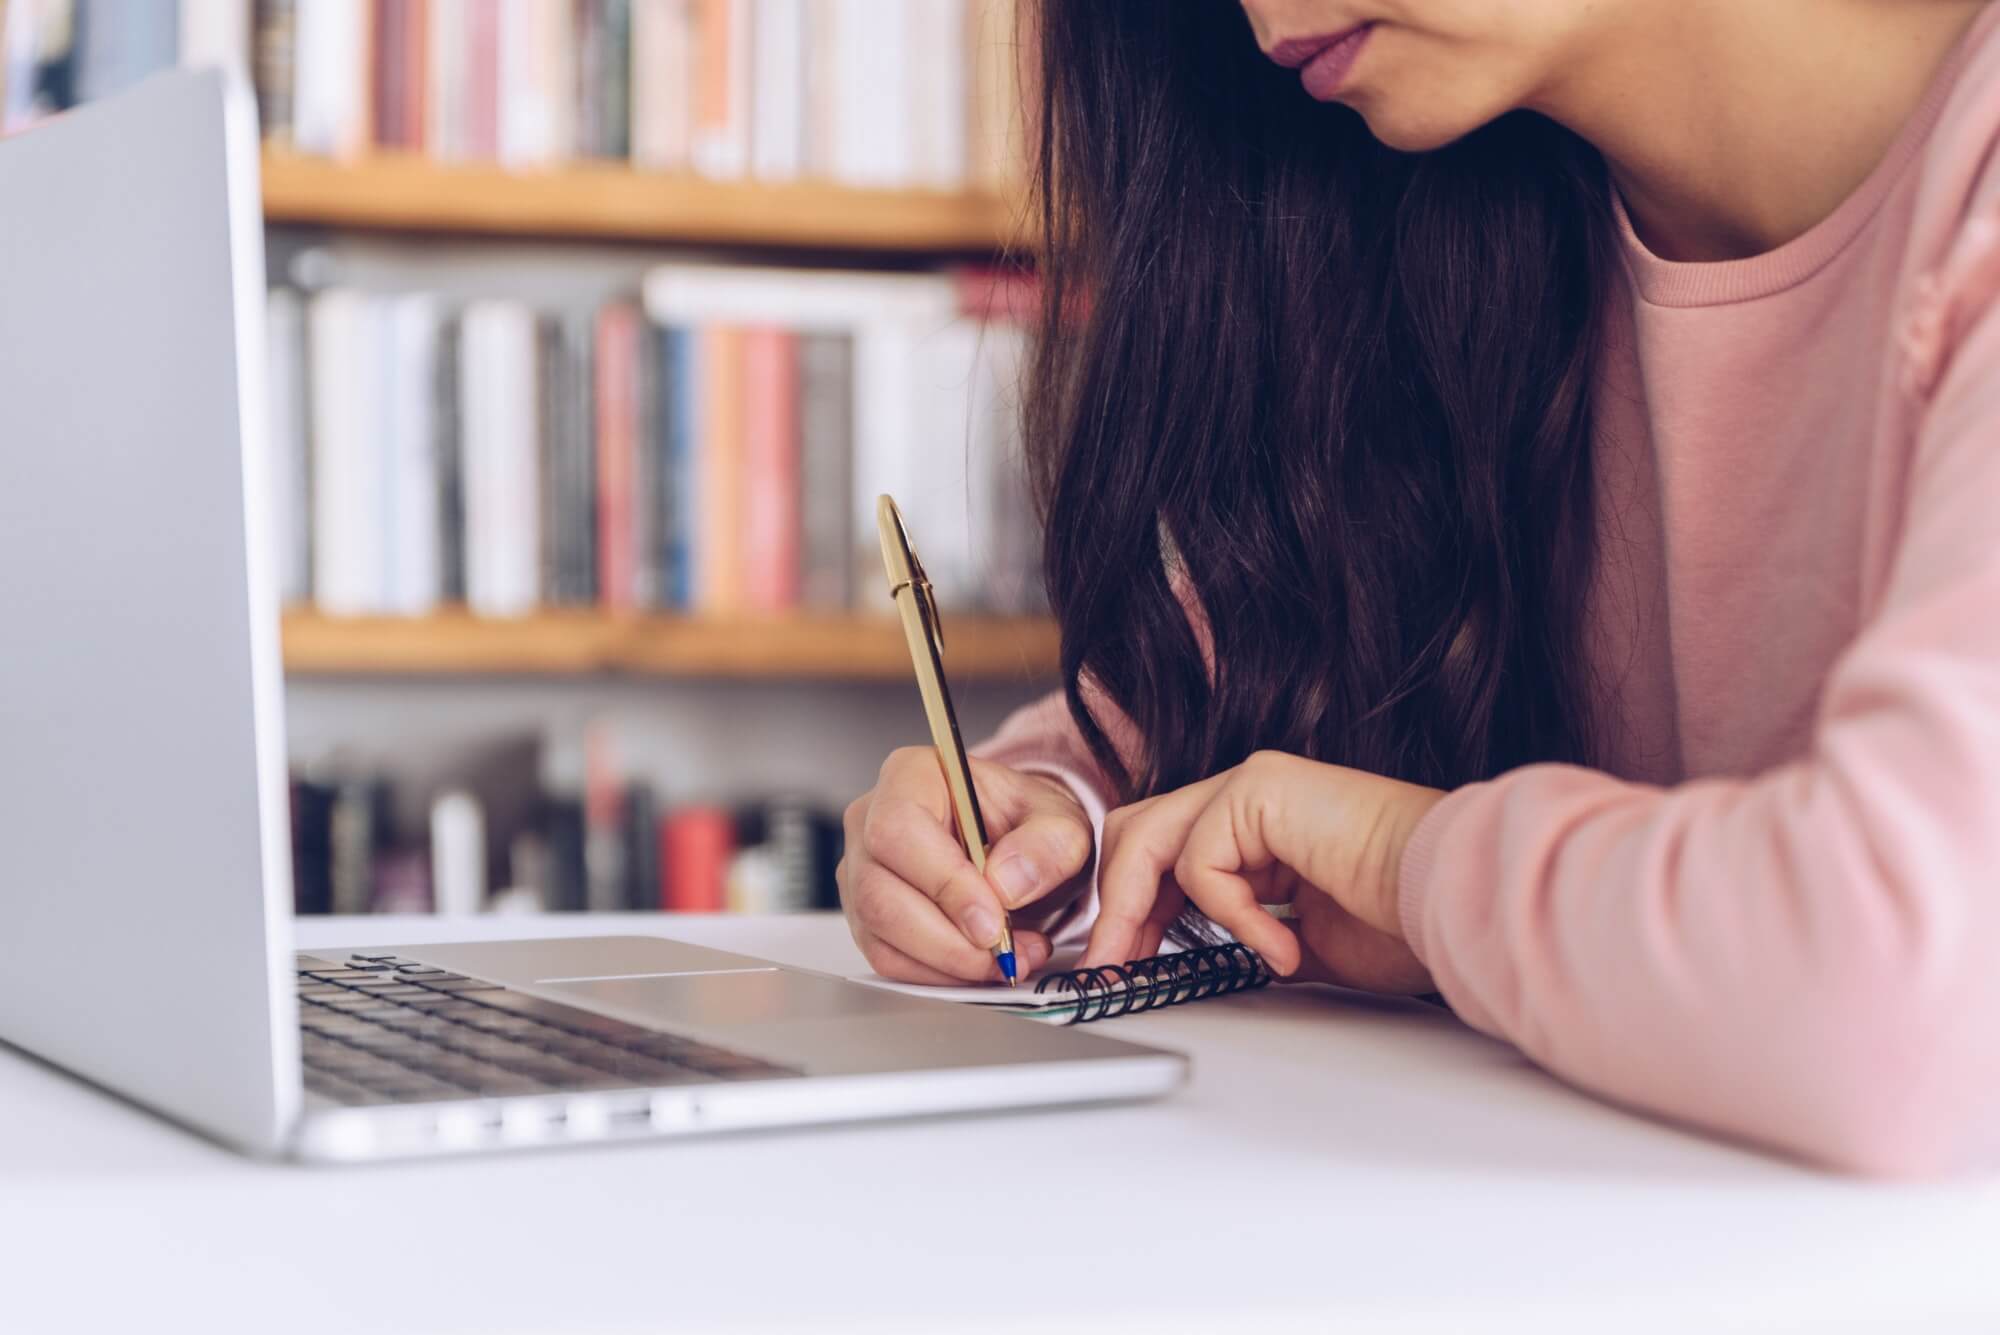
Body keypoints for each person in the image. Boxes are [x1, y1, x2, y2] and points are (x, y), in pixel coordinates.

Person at [837, 0, 2000, 1177]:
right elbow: (1220, 710)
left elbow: (1899, 996)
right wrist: (1046, 834)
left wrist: (1410, 867)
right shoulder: (1471, 226)